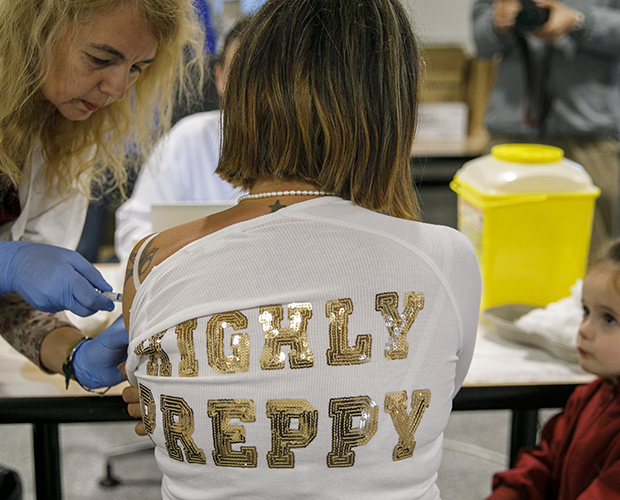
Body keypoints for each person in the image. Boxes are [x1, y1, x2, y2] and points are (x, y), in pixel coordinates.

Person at [119, 0, 482, 498]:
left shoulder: (153, 260)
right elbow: (431, 389)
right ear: (392, 108)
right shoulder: (447, 259)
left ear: (242, 91)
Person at [0, 0, 203, 497]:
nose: (117, 89)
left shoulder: (60, 116)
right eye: (100, 59)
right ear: (33, 25)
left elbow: (13, 295)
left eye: (138, 68)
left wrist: (72, 352)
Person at [486, 234, 620, 499]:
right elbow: (545, 460)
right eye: (586, 311)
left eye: (608, 319)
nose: (584, 330)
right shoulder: (594, 393)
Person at [471, 0, 620, 253]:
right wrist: (498, 23)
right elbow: (481, 41)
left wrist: (578, 21)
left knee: (590, 260)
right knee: (500, 254)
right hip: (511, 136)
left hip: (587, 137)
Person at [114, 18, 249, 263]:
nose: (250, 89)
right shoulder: (188, 139)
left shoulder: (311, 144)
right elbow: (134, 231)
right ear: (219, 77)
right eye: (239, 73)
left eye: (260, 76)